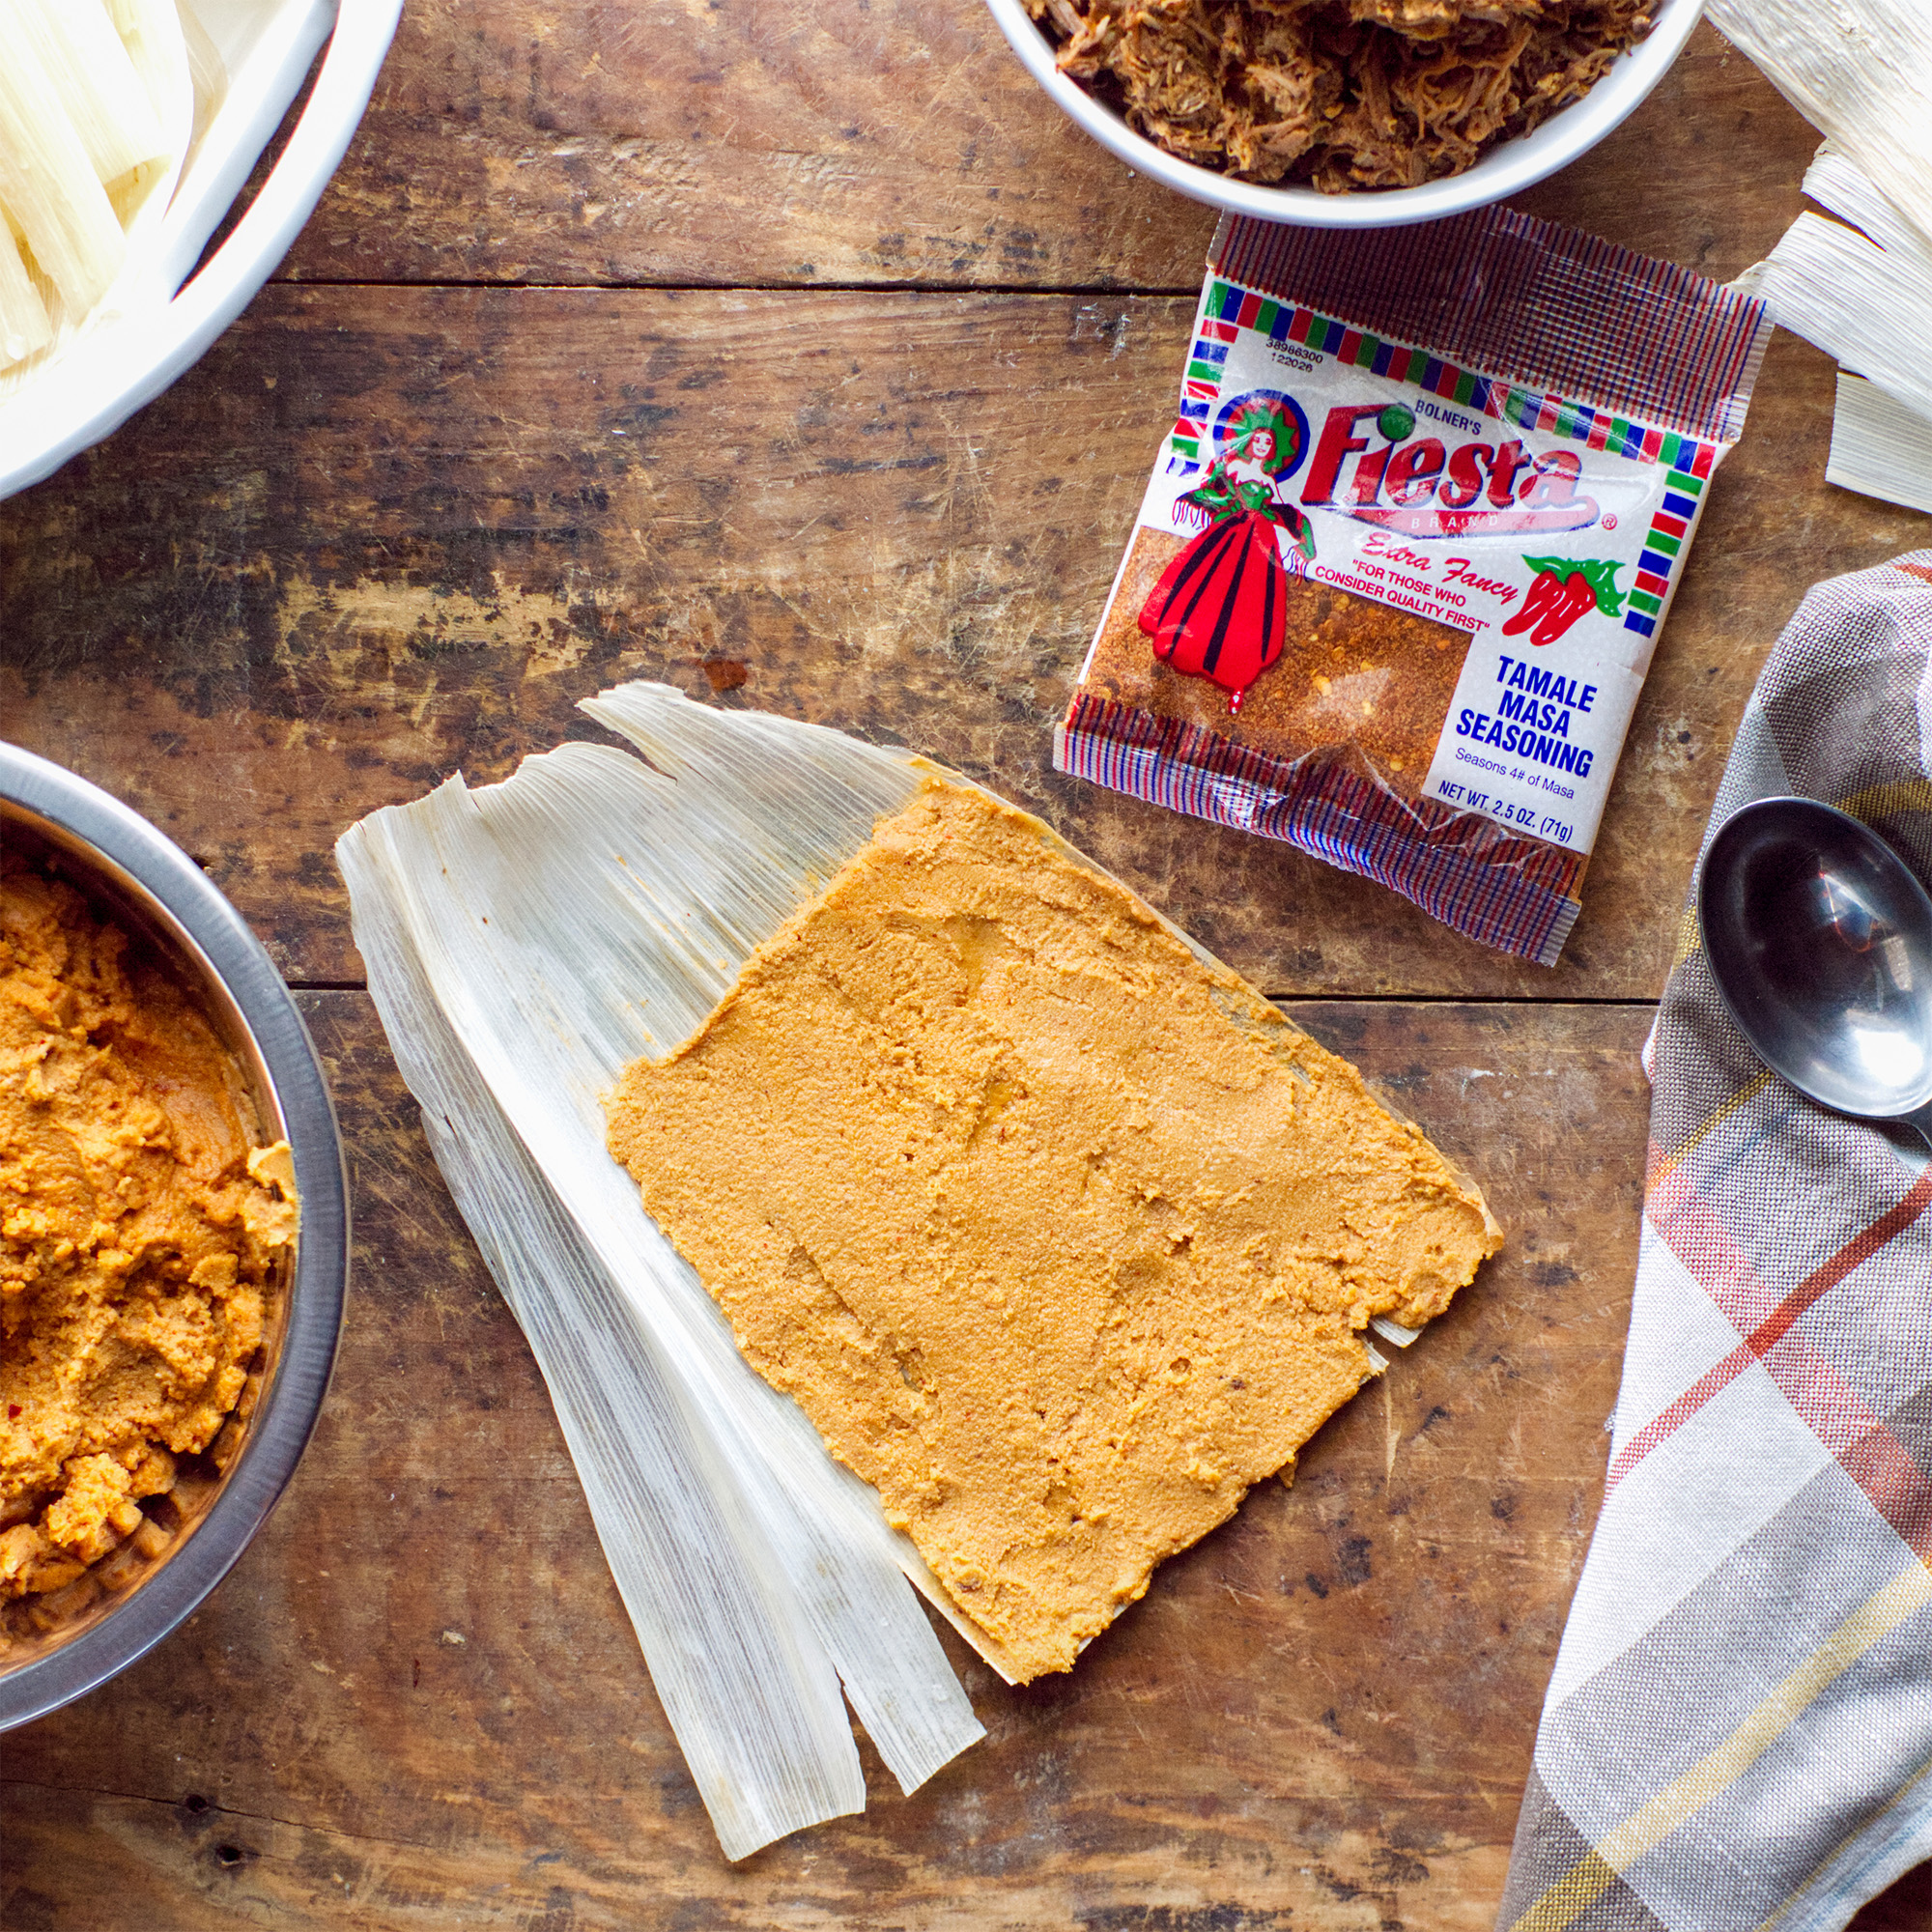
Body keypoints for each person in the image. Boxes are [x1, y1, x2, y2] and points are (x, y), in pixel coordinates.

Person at [1139, 399, 1316, 714]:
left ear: (1274, 449)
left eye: (1269, 442)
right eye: (1258, 438)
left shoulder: (1269, 480)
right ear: (1250, 440)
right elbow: (1214, 488)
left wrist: (1301, 540)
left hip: (1260, 543)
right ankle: (1178, 644)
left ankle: (1236, 677)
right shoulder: (1234, 466)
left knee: (1247, 605)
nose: (1262, 445)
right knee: (1206, 585)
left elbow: (1280, 511)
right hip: (1228, 534)